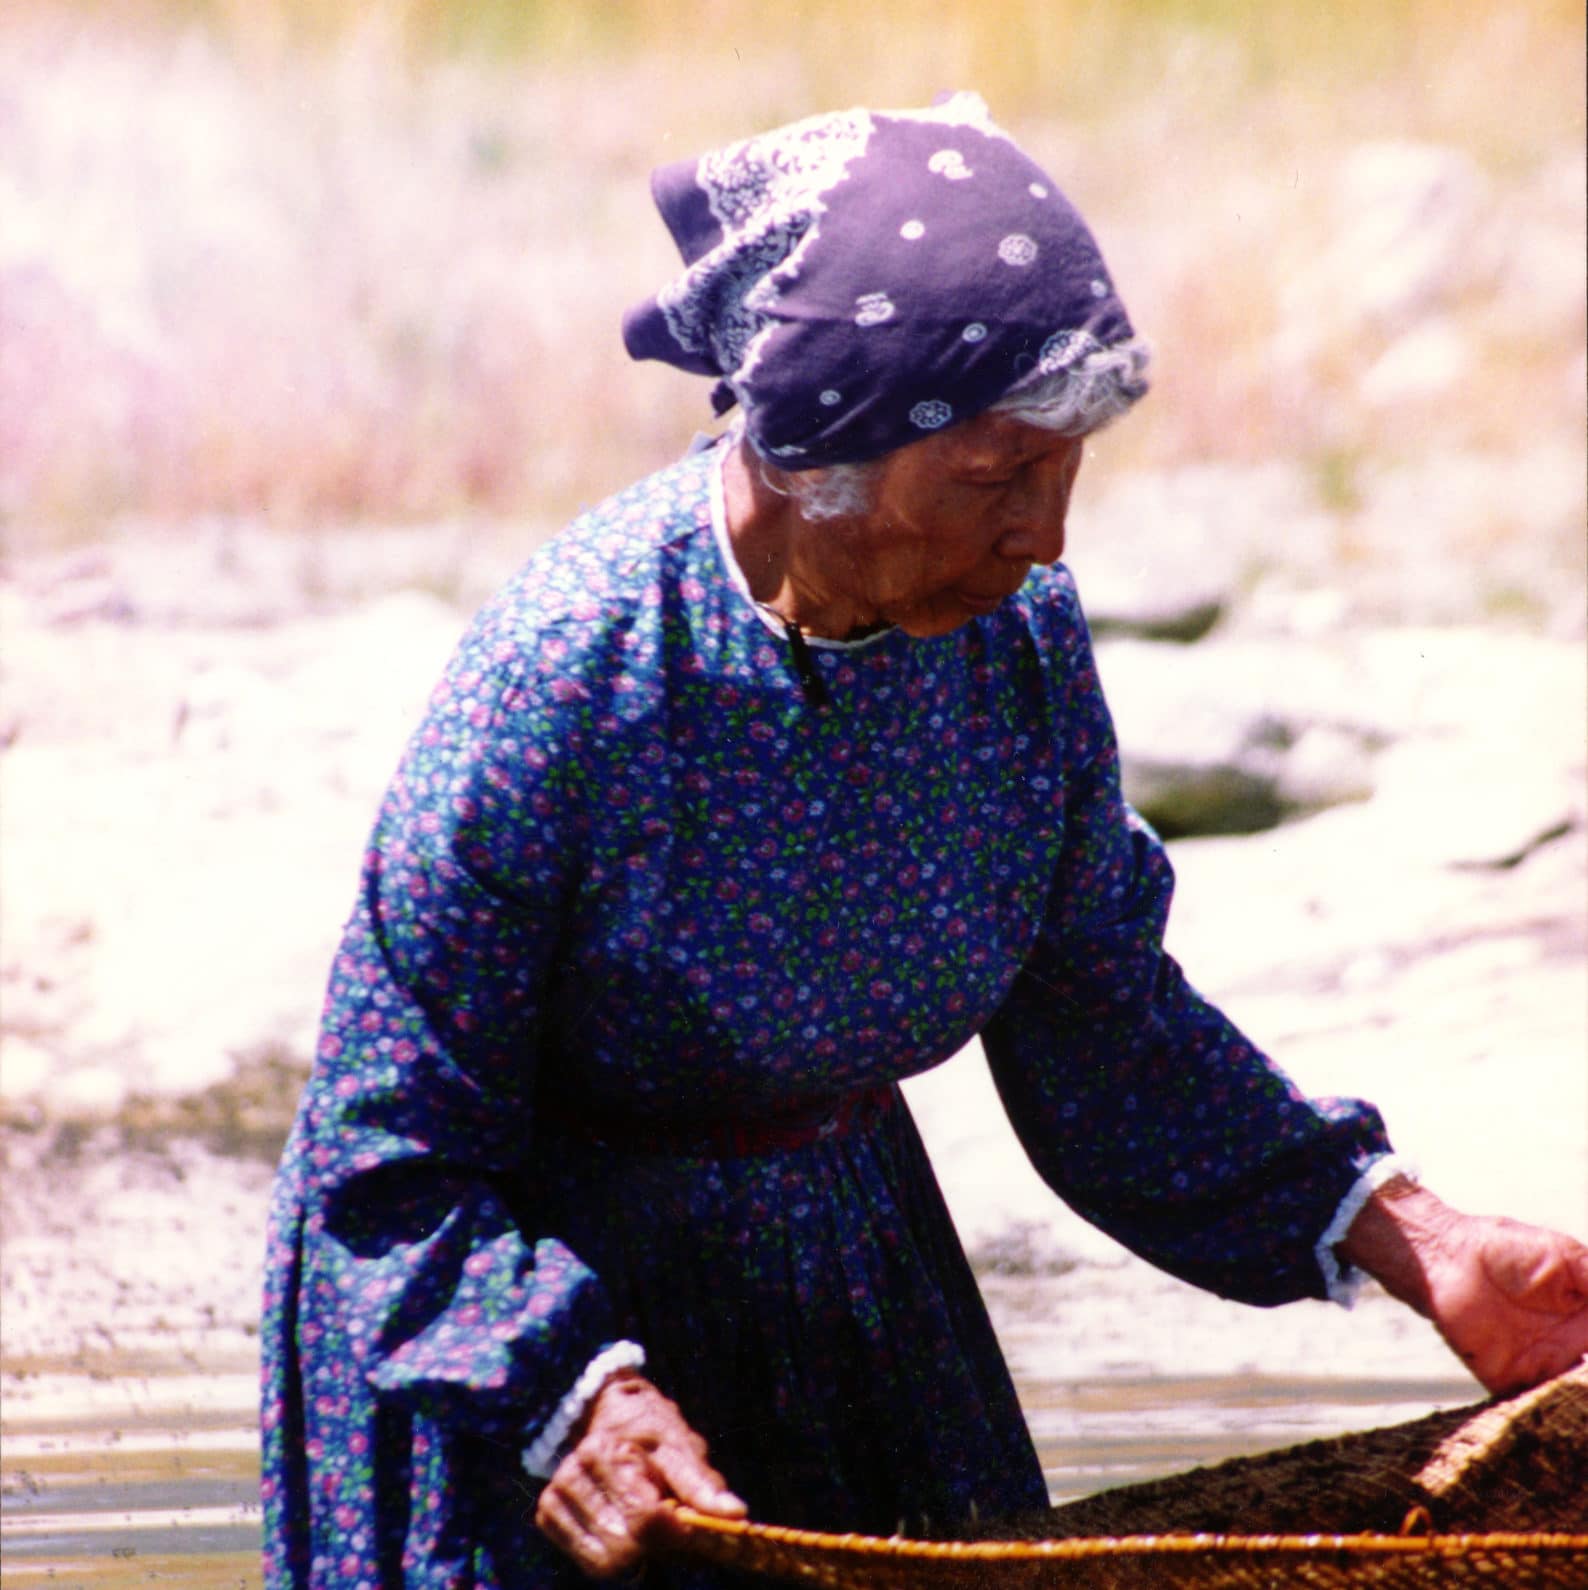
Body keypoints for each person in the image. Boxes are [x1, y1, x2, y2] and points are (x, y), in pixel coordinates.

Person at [259, 95, 1588, 1588]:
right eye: (996, 477)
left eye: (1065, 469)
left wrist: (1413, 1235)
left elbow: (1103, 1020)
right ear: (823, 448)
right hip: (532, 1336)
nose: (1049, 537)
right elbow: (386, 1152)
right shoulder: (567, 679)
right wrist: (572, 1388)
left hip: (844, 1272)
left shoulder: (1013, 642)